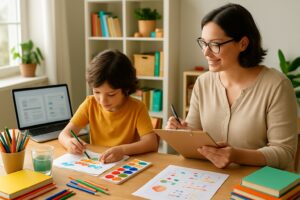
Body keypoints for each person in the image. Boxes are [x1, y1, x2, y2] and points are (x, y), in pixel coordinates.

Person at [166, 3, 298, 170]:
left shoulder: (277, 86)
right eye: (204, 43)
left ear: (243, 44)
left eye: (215, 44)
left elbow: (285, 152)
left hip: (258, 185)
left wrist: (236, 155)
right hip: (212, 180)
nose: (206, 52)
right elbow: (195, 135)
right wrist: (182, 133)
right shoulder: (203, 82)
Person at [59, 49, 158, 163]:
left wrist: (122, 150)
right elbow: (64, 134)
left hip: (125, 165)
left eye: (111, 94)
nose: (102, 101)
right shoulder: (90, 104)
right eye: (96, 92)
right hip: (99, 165)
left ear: (126, 88)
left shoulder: (137, 108)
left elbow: (151, 143)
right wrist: (68, 142)